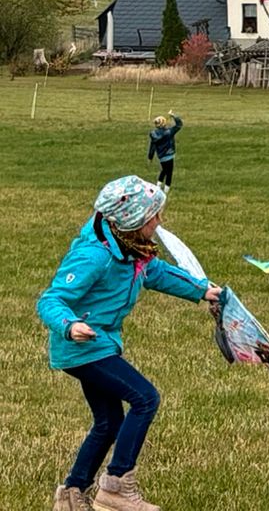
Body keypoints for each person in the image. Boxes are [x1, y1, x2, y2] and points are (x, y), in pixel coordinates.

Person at [36, 175, 222, 511]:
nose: (159, 221)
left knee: (109, 424)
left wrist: (201, 290)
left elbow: (156, 273)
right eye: (154, 216)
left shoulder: (131, 248)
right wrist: (70, 325)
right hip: (82, 345)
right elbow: (51, 299)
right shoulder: (96, 256)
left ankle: (71, 495)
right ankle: (117, 487)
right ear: (133, 221)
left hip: (102, 342)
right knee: (145, 398)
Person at [144, 115, 182, 188]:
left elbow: (152, 147)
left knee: (164, 170)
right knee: (169, 174)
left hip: (161, 157)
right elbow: (179, 125)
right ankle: (165, 192)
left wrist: (150, 157)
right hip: (169, 155)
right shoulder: (169, 132)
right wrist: (173, 115)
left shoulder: (153, 134)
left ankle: (158, 187)